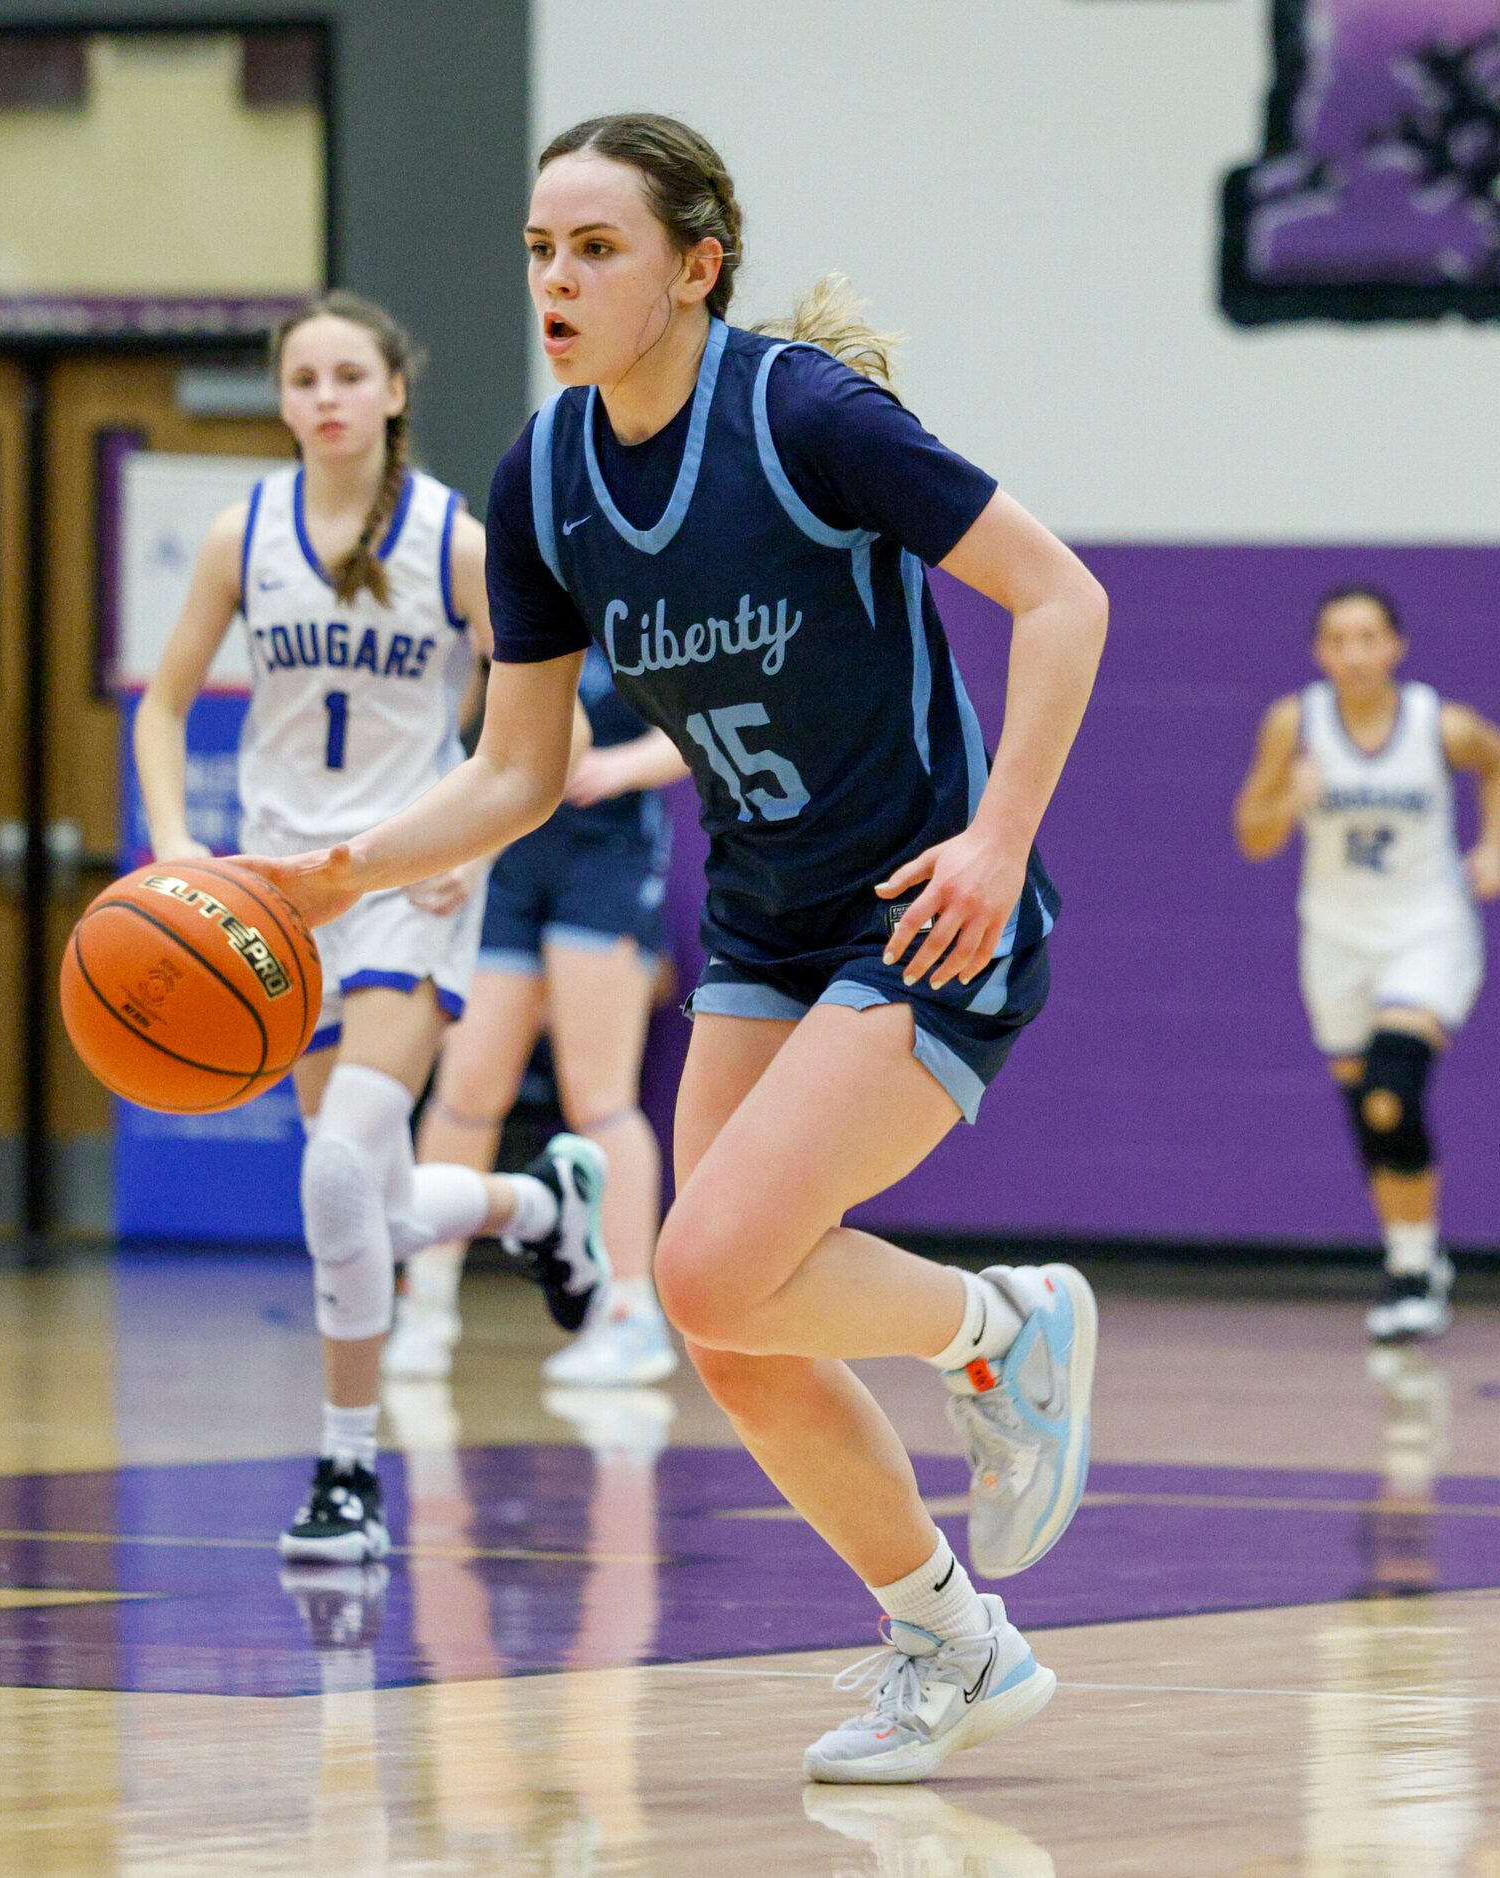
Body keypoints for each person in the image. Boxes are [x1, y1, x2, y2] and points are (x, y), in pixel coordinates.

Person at [241, 113, 1109, 1785]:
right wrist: (327, 873)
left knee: (704, 1263)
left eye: (597, 250)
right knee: (725, 1322)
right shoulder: (545, 476)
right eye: (539, 252)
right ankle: (948, 1631)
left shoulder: (805, 417)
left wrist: (1000, 838)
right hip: (767, 917)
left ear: (694, 266)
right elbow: (517, 773)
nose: (557, 280)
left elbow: (1061, 596)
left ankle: (1004, 1329)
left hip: (922, 904)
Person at [133, 291, 609, 1567]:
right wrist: (179, 847)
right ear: (284, 400)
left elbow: (555, 734)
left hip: (404, 883)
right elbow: (163, 706)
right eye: (305, 378)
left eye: (351, 374)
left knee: (339, 1174)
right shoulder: (243, 535)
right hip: (277, 904)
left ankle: (346, 1471)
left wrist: (478, 844)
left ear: (396, 390)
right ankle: (535, 1206)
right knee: (365, 1202)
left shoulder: (457, 537)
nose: (328, 396)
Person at [386, 645, 691, 1389]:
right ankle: (425, 1305)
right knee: (468, 1084)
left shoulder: (641, 599)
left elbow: (693, 730)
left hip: (607, 854)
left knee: (599, 1096)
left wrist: (618, 767)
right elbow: (459, 729)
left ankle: (630, 1315)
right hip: (510, 853)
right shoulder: (508, 602)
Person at [1232, 583, 1500, 1341]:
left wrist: (1492, 846)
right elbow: (1252, 837)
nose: (1354, 654)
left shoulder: (1437, 723)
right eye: (1338, 639)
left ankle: (1412, 1272)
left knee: (1393, 1088)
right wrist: (1289, 801)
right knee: (1369, 1110)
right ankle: (1413, 1253)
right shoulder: (1295, 724)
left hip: (1426, 930)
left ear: (1395, 646)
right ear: (1319, 652)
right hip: (1334, 938)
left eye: (1368, 638)